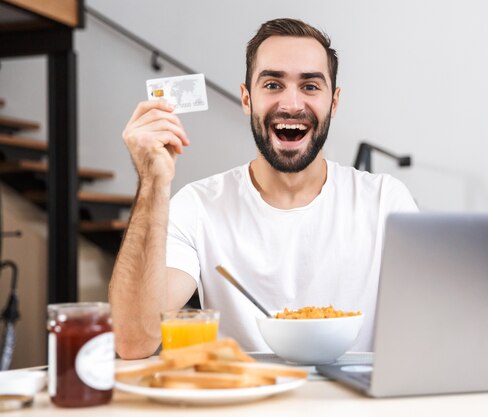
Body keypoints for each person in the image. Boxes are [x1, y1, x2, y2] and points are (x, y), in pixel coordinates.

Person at [110, 18, 418, 359]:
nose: (291, 104)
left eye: (311, 86)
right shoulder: (197, 206)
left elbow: (429, 326)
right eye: (272, 84)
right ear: (246, 98)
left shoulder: (385, 201)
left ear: (334, 101)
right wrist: (152, 182)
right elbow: (134, 341)